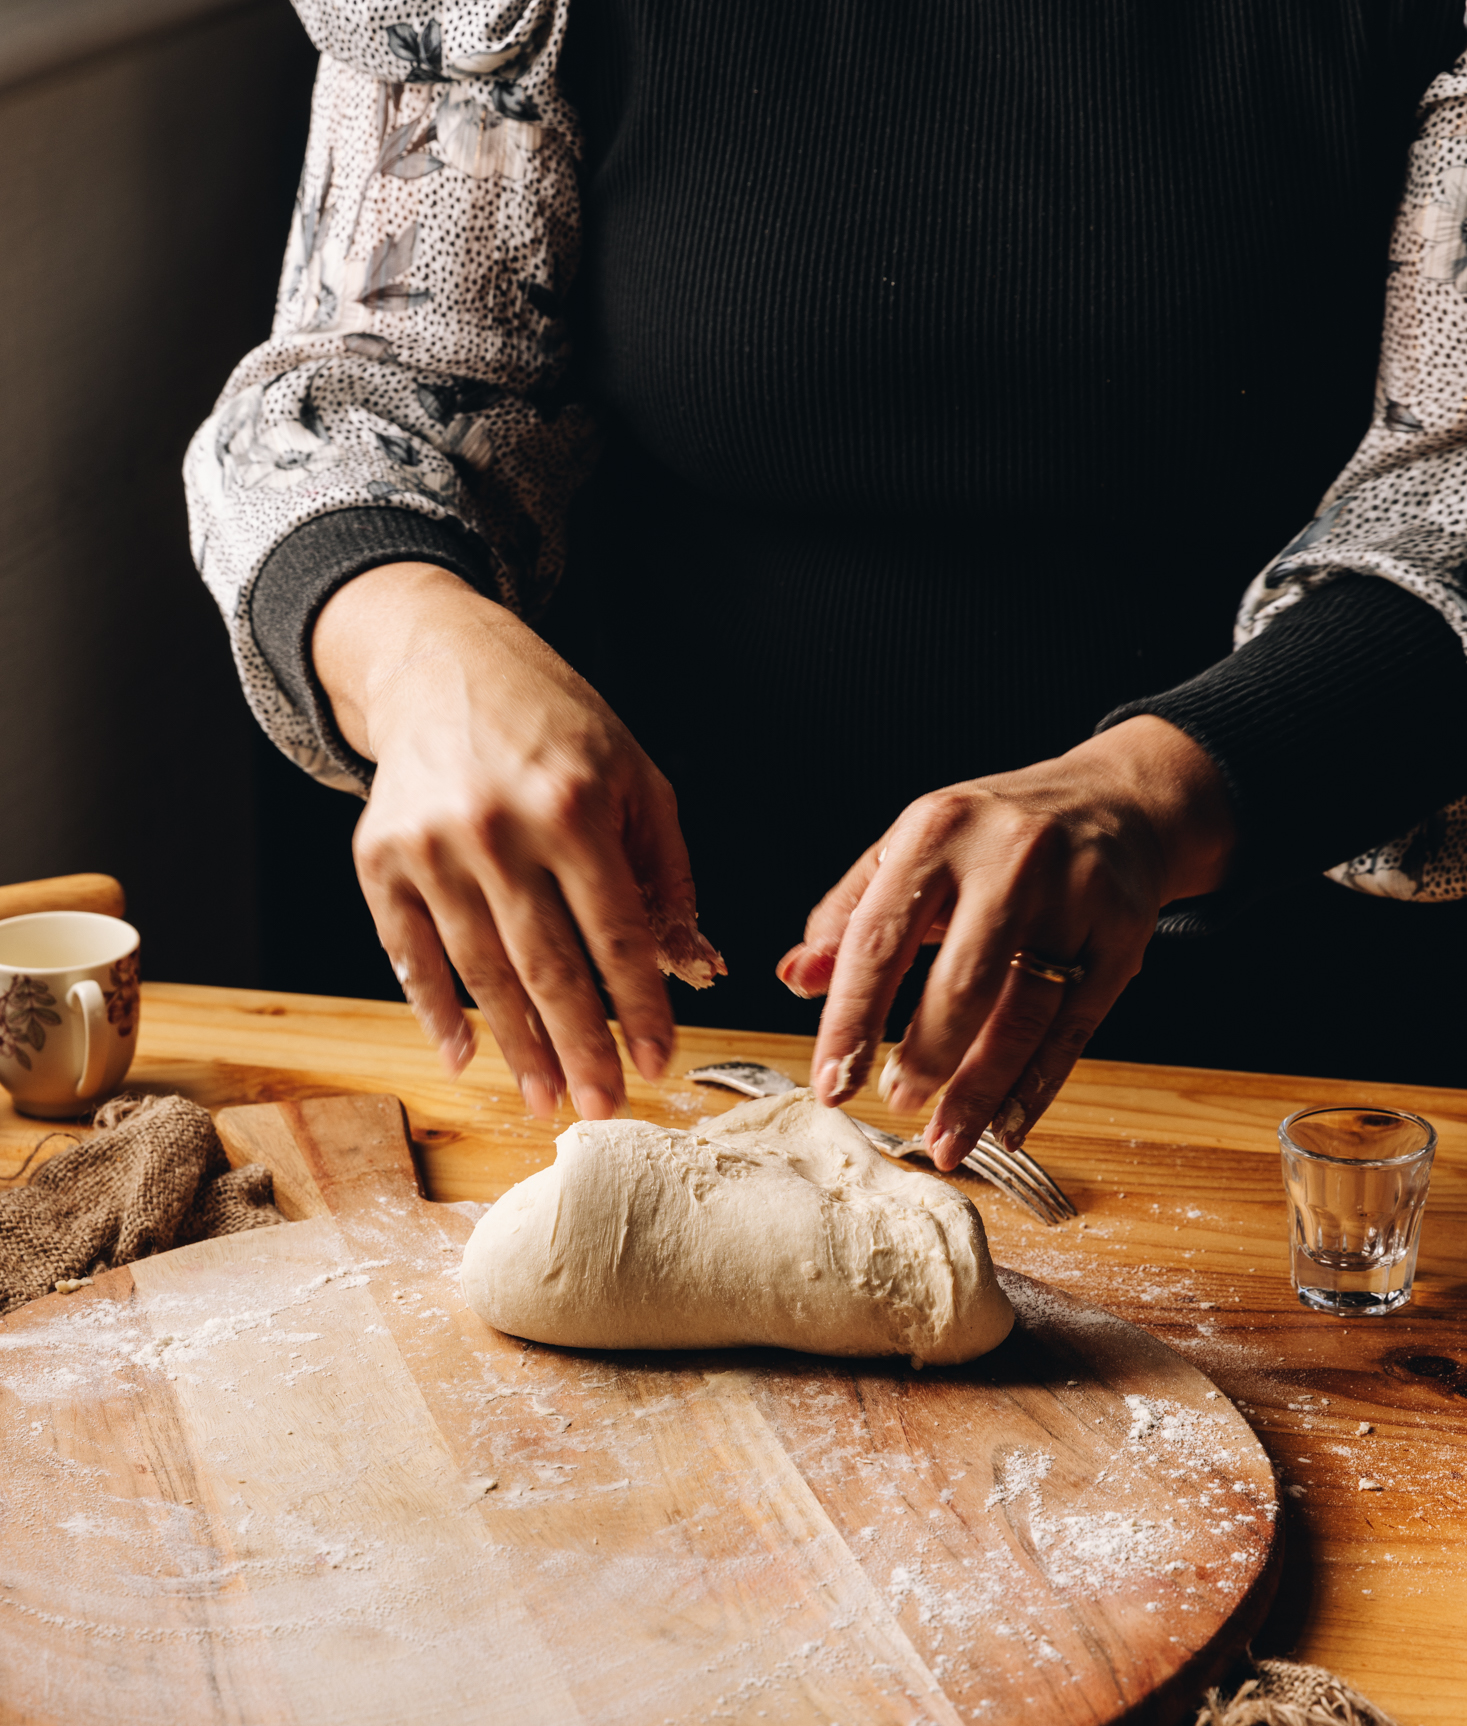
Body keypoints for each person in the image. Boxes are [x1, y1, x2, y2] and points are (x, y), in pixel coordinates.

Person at [189, 2, 1467, 1172]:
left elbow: (1450, 500)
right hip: (654, 1038)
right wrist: (419, 651)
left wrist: (1149, 799)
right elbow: (360, 392)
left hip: (1285, 1067)